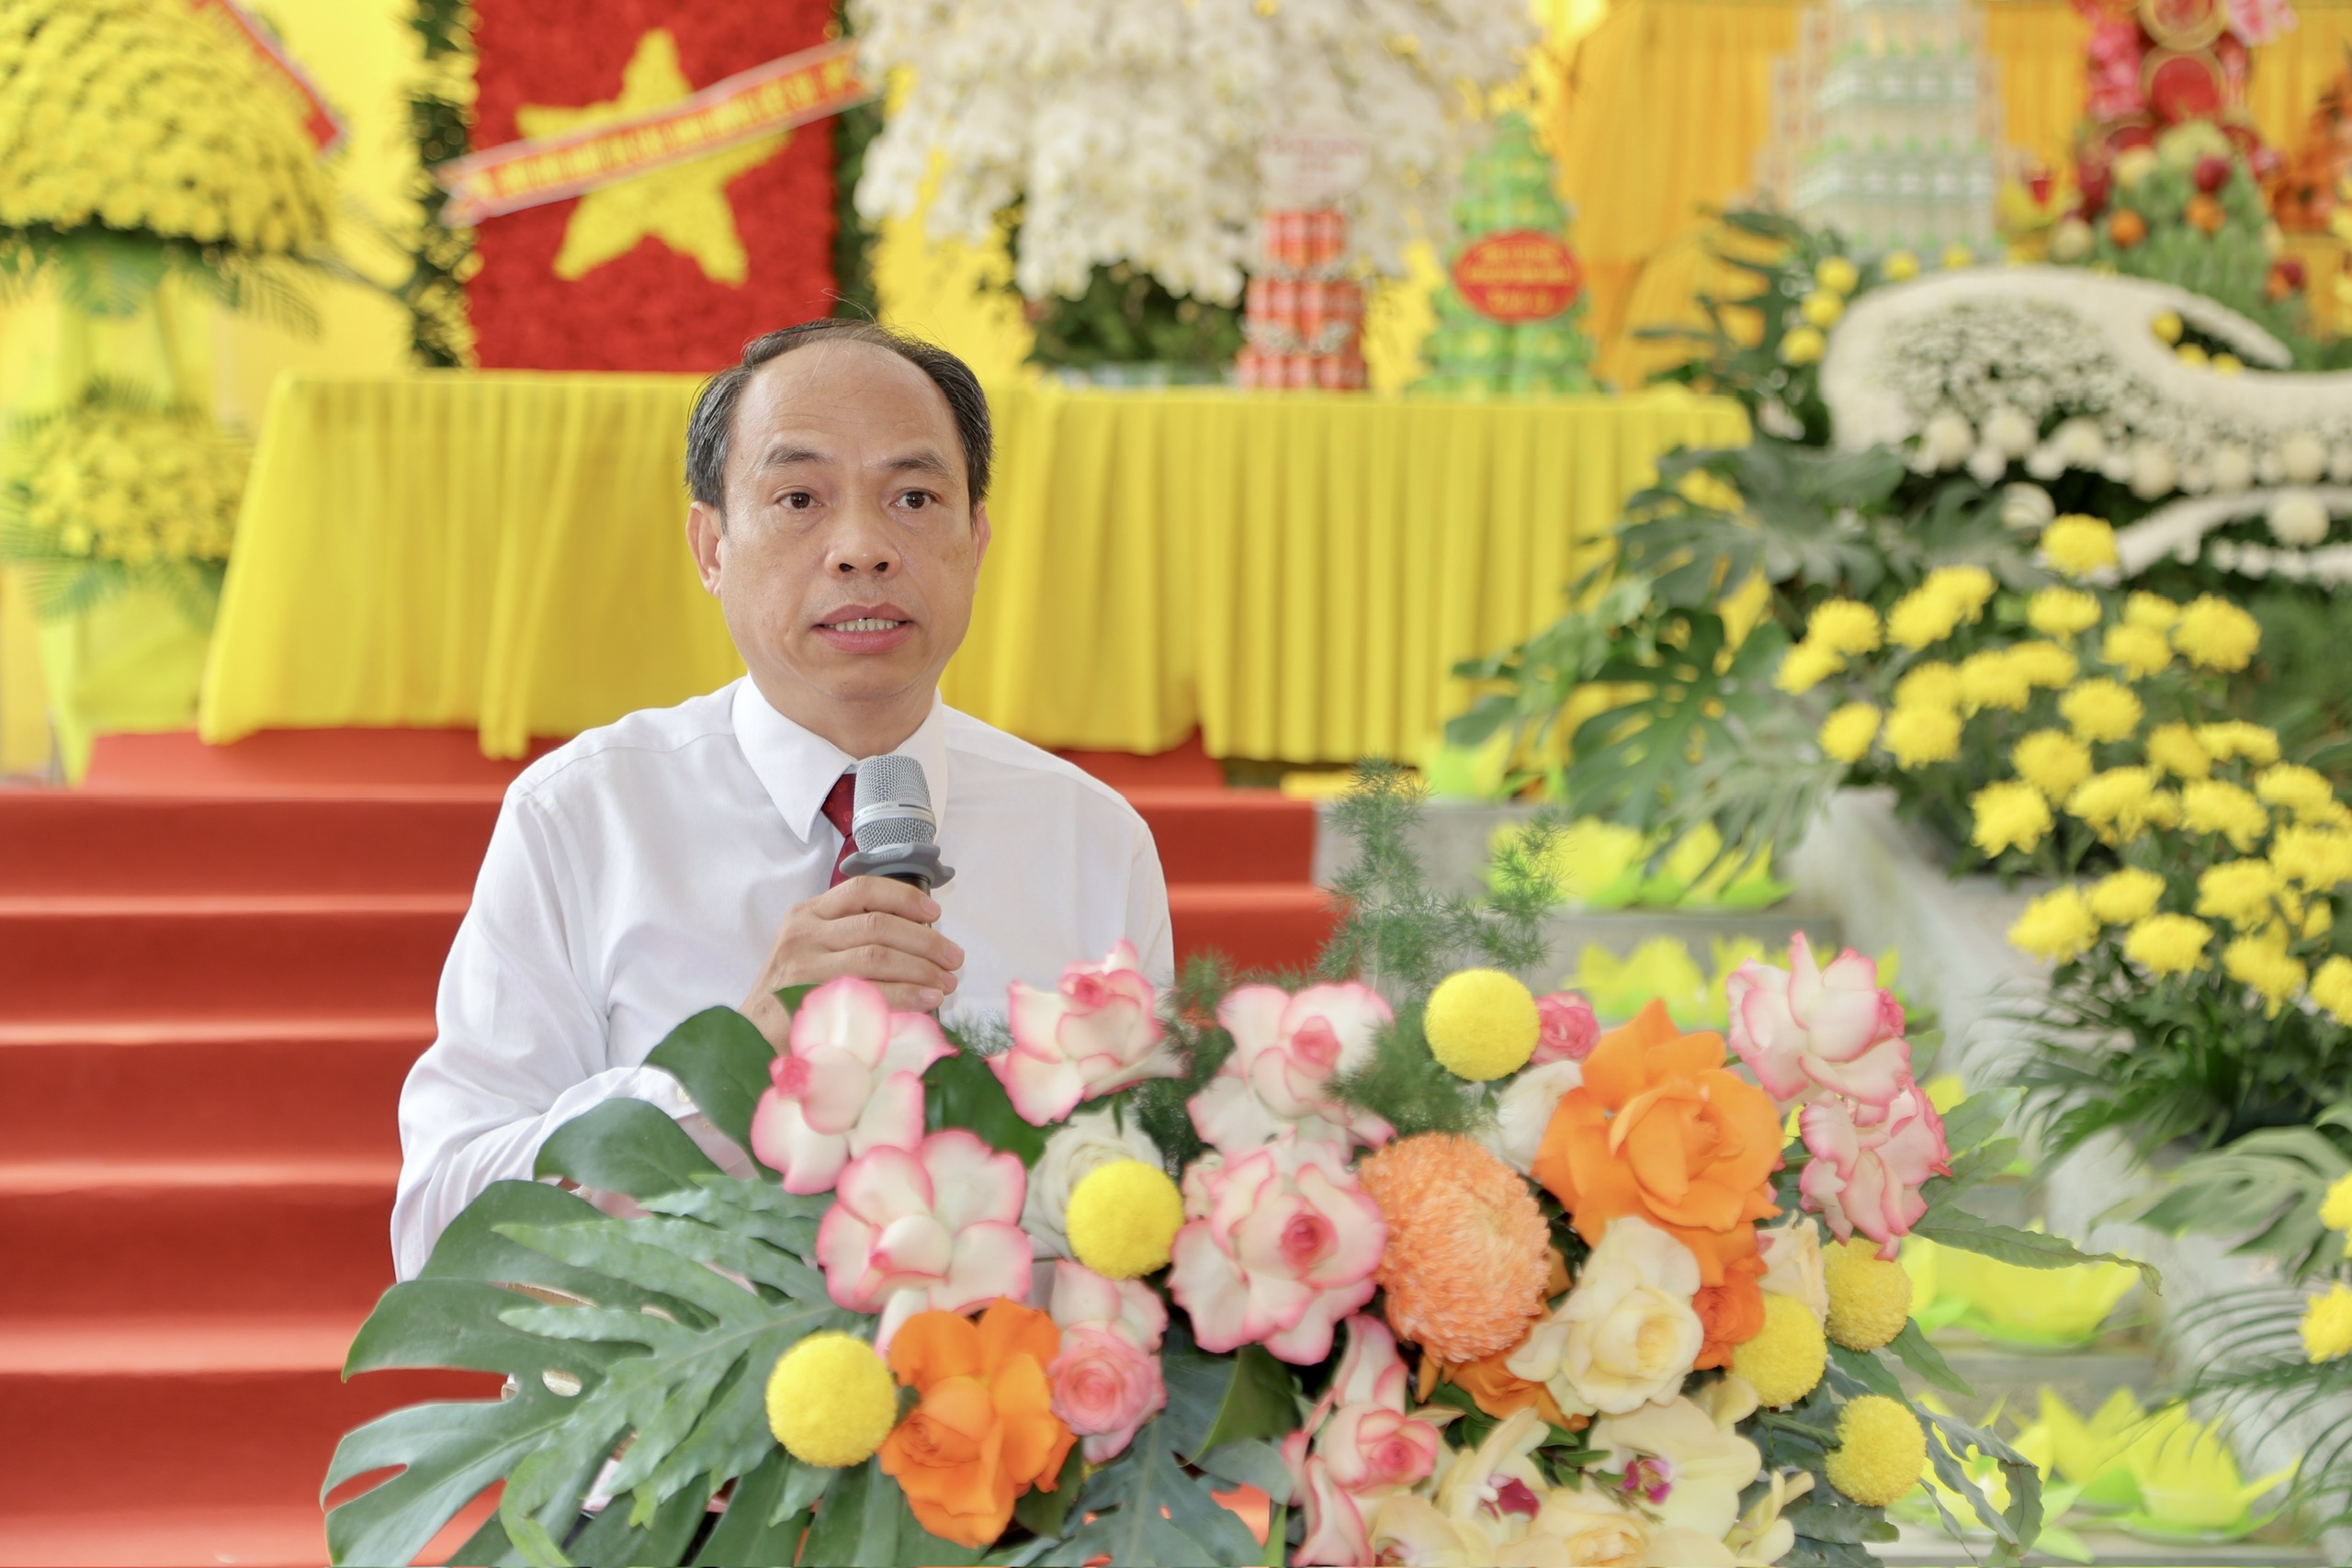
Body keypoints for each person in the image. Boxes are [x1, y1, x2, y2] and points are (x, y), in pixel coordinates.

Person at [391, 321, 1174, 1278]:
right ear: (710, 546)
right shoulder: (583, 819)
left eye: (914, 498)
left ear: (974, 542)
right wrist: (729, 1068)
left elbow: (1156, 1205)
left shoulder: (1091, 839)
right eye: (799, 498)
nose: (862, 549)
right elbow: (443, 1232)